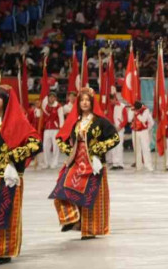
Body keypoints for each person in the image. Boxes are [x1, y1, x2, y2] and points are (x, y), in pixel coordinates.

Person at [49, 88, 120, 240]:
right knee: (61, 190)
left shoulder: (100, 121)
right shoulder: (75, 122)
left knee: (91, 197)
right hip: (76, 163)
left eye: (87, 100)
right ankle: (72, 218)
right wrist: (70, 150)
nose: (85, 103)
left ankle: (89, 230)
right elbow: (60, 139)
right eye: (82, 100)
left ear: (92, 102)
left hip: (93, 163)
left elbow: (115, 138)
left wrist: (96, 149)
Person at [0, 86, 41, 265]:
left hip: (7, 177)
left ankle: (3, 251)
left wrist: (13, 159)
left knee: (5, 212)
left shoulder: (17, 122)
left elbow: (35, 144)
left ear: (5, 101)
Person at [41, 92, 64, 169]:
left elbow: (61, 118)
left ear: (55, 98)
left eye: (53, 97)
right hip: (47, 129)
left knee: (55, 146)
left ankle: (54, 163)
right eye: (50, 97)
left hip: (55, 129)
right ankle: (46, 162)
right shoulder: (45, 107)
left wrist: (61, 128)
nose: (51, 98)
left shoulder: (58, 106)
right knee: (45, 146)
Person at [107, 94, 129, 170]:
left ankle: (120, 163)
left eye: (112, 100)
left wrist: (120, 126)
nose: (111, 102)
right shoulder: (109, 106)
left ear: (115, 99)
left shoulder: (122, 106)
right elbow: (108, 117)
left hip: (119, 129)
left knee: (119, 146)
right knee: (113, 146)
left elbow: (126, 119)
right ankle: (115, 163)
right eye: (110, 100)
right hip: (112, 128)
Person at [131, 101, 154, 171]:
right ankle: (138, 165)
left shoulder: (146, 110)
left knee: (145, 148)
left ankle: (148, 165)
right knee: (137, 149)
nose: (136, 110)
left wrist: (137, 114)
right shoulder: (133, 110)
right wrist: (132, 113)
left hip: (143, 131)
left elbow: (144, 120)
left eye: (137, 109)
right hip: (135, 131)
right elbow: (129, 119)